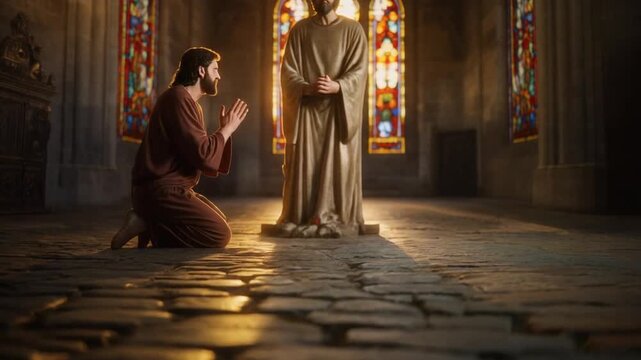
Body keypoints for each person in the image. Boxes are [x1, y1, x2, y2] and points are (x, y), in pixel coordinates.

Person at [111, 47, 249, 249]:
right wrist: (227, 129)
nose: (219, 75)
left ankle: (148, 223)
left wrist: (223, 130)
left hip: (172, 190)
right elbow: (203, 155)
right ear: (202, 71)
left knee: (221, 220)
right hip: (161, 190)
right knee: (218, 234)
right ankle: (147, 221)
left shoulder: (188, 102)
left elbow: (197, 155)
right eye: (215, 69)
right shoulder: (178, 98)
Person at [277, 0, 368, 238]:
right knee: (304, 164)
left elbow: (359, 72)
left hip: (339, 112)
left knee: (338, 163)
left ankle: (336, 215)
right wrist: (305, 88)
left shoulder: (353, 30)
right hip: (307, 112)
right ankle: (299, 214)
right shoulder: (300, 30)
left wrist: (338, 86)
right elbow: (288, 72)